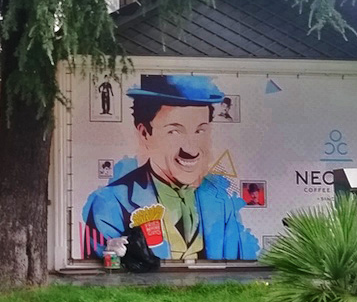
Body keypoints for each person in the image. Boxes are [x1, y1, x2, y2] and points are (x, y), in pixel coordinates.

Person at [82, 74, 259, 261]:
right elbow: (108, 270)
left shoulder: (221, 200)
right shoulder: (110, 202)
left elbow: (234, 271)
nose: (190, 149)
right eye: (174, 131)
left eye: (200, 130)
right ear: (145, 134)